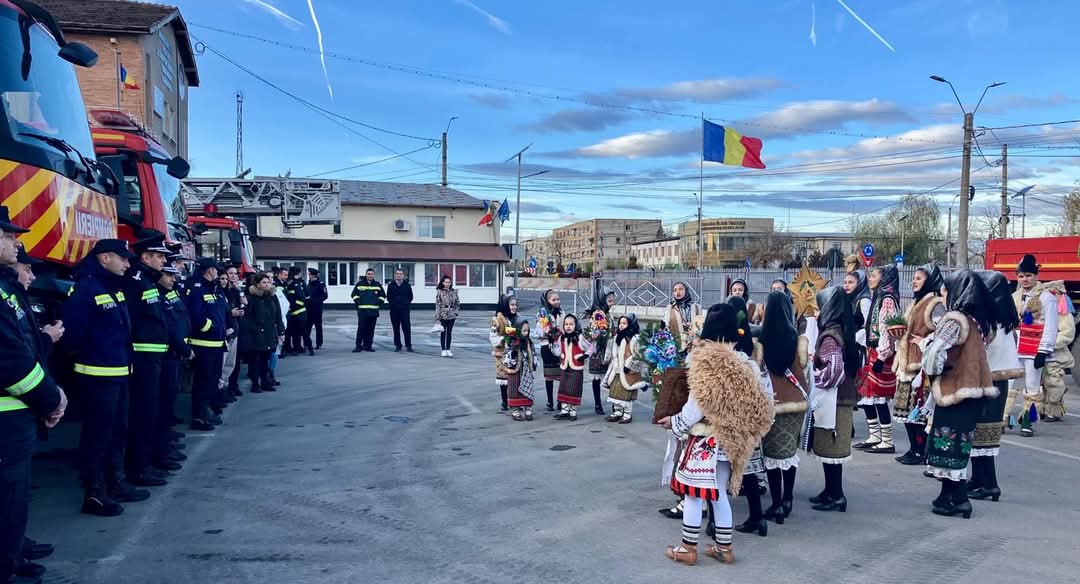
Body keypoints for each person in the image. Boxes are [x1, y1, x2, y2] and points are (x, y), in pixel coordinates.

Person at [657, 303, 774, 566]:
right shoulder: (746, 364)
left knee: (693, 494)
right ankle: (724, 547)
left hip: (705, 440)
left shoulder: (706, 363)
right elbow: (765, 403)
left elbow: (695, 408)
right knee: (718, 493)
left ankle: (688, 548)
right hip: (730, 441)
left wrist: (674, 423)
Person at [0, 208, 66, 582]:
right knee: (7, 499)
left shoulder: (6, 290)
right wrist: (51, 399)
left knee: (14, 499)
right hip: (8, 417)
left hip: (17, 414)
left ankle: (13, 557)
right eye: (8, 235)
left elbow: (25, 350)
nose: (16, 242)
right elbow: (11, 361)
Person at [60, 239, 135, 516]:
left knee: (117, 432)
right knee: (98, 436)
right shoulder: (86, 288)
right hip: (97, 377)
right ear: (104, 258)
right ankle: (94, 493)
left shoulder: (112, 287)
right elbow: (72, 336)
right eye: (122, 258)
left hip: (119, 373)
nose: (127, 264)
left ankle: (115, 482)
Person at [921, 270, 997, 519]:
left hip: (955, 389)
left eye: (946, 290)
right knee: (957, 445)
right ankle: (947, 495)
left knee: (948, 445)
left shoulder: (955, 319)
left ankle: (960, 499)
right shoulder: (977, 321)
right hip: (973, 391)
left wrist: (932, 370)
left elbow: (935, 352)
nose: (942, 295)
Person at [121, 233, 175, 484]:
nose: (164, 261)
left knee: (151, 410)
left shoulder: (147, 280)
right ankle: (139, 468)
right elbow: (130, 320)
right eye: (160, 256)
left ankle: (149, 461)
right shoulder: (136, 281)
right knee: (142, 412)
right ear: (145, 257)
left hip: (153, 356)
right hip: (142, 357)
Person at [970, 271, 1023, 502]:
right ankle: (978, 479)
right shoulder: (1005, 319)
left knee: (984, 434)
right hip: (997, 381)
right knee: (981, 433)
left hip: (989, 380)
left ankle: (990, 484)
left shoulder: (991, 321)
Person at [807, 286, 861, 513]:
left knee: (832, 448)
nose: (817, 313)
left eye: (819, 308)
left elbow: (834, 371)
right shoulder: (841, 330)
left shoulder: (830, 336)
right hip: (841, 398)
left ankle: (836, 495)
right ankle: (830, 491)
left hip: (834, 400)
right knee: (830, 450)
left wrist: (814, 376)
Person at [757, 291, 809, 527]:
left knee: (771, 455)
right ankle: (788, 500)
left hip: (773, 403)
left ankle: (776, 504)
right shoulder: (797, 339)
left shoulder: (762, 340)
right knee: (789, 453)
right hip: (796, 403)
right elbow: (805, 367)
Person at [1007, 254, 1072, 434]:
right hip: (1015, 347)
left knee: (1032, 387)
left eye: (1028, 275)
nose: (1025, 279)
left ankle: (1028, 422)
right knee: (1010, 384)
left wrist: (1043, 351)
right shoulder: (1015, 296)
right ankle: (1003, 419)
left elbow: (1051, 327)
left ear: (1036, 276)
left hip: (1034, 349)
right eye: (1021, 276)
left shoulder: (1047, 298)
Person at [892, 263, 946, 465]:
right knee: (906, 412)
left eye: (919, 278)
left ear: (929, 281)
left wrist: (924, 341)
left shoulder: (935, 303)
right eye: (913, 278)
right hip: (906, 363)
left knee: (918, 412)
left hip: (920, 364)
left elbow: (943, 331)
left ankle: (921, 451)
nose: (914, 282)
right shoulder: (915, 302)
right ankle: (913, 448)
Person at [657, 282, 702, 520]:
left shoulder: (695, 308)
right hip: (676, 359)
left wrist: (677, 422)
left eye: (681, 289)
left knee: (689, 450)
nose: (677, 293)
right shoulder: (670, 309)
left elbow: (695, 407)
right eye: (675, 290)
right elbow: (664, 333)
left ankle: (692, 502)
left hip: (699, 424)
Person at [854, 264, 900, 454]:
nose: (870, 279)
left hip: (882, 353)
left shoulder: (887, 299)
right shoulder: (879, 297)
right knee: (868, 395)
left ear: (884, 278)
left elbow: (887, 329)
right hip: (872, 350)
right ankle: (874, 436)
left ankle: (887, 441)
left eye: (874, 276)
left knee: (879, 397)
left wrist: (882, 356)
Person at [153, 263, 190, 476]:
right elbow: (170, 326)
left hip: (172, 354)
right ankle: (160, 450)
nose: (173, 279)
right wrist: (184, 348)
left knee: (167, 404)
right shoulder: (156, 294)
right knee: (160, 406)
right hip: (164, 356)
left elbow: (181, 320)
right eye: (168, 275)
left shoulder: (169, 293)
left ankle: (165, 444)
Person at [186, 258, 228, 431]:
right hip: (204, 344)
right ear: (210, 270)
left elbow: (220, 312)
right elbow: (196, 316)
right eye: (216, 270)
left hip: (216, 343)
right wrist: (212, 327)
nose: (218, 273)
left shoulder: (214, 288)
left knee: (211, 380)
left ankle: (207, 411)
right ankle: (199, 417)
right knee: (203, 382)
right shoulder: (197, 289)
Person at [239, 272, 285, 393]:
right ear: (257, 285)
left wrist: (281, 331)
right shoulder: (251, 298)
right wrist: (254, 329)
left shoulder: (272, 297)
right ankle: (255, 384)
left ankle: (265, 382)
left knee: (266, 358)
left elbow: (278, 315)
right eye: (264, 282)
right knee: (255, 360)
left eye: (268, 282)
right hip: (256, 334)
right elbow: (247, 317)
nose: (267, 284)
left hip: (269, 332)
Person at [602, 314, 646, 423]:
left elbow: (638, 355)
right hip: (617, 370)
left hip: (628, 371)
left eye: (624, 323)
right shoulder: (617, 337)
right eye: (620, 323)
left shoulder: (634, 339)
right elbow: (613, 353)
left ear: (631, 325)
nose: (621, 325)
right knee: (616, 392)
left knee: (627, 393)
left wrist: (628, 365)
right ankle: (618, 411)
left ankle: (627, 414)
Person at [584, 285, 616, 416]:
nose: (612, 303)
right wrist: (599, 334)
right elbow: (592, 333)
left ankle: (615, 403)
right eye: (609, 301)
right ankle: (598, 404)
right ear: (602, 300)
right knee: (596, 378)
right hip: (598, 349)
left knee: (612, 377)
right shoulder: (597, 315)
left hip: (610, 348)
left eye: (613, 301)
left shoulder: (608, 314)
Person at [553, 314, 589, 421]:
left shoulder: (580, 338)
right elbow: (557, 351)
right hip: (565, 367)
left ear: (576, 325)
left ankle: (573, 411)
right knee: (563, 388)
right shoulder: (562, 338)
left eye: (571, 324)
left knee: (574, 389)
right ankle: (564, 410)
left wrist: (585, 355)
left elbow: (591, 347)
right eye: (566, 324)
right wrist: (552, 343)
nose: (568, 326)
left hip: (576, 367)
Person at [219, 265, 246, 397]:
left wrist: (242, 301)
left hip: (236, 329)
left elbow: (242, 305)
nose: (234, 276)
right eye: (230, 273)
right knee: (223, 364)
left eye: (235, 273)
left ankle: (231, 386)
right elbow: (223, 310)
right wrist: (231, 313)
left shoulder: (236, 290)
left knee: (233, 362)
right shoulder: (221, 291)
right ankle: (223, 390)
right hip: (226, 331)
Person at [504, 319, 538, 421]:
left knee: (527, 387)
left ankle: (527, 407)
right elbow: (506, 356)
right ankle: (515, 409)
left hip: (526, 369)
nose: (526, 333)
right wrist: (513, 354)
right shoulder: (511, 342)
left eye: (527, 331)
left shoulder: (529, 342)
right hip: (515, 370)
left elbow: (533, 353)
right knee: (514, 389)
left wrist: (533, 363)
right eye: (524, 331)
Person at [489, 295, 519, 410]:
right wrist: (504, 338)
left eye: (515, 305)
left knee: (515, 377)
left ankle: (514, 399)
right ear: (505, 306)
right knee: (503, 378)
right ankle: (504, 401)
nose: (514, 307)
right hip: (502, 353)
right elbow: (493, 338)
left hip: (515, 352)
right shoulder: (497, 320)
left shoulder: (517, 318)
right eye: (512, 305)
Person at [533, 289, 561, 408]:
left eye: (558, 299)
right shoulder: (542, 314)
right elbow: (538, 332)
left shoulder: (561, 313)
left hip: (560, 346)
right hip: (547, 346)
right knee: (549, 375)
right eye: (553, 300)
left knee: (562, 375)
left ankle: (560, 401)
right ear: (547, 301)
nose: (556, 302)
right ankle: (550, 401)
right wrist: (548, 331)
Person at [351, 268, 386, 353]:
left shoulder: (377, 285)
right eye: (369, 274)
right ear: (366, 275)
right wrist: (359, 301)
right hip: (362, 311)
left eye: (372, 274)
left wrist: (378, 302)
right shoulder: (360, 284)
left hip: (373, 311)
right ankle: (358, 346)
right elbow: (354, 295)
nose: (370, 275)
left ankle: (368, 346)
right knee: (361, 329)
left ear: (374, 275)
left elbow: (383, 296)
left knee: (371, 330)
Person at [284, 266, 312, 356]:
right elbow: (291, 298)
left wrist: (302, 303)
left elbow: (306, 295)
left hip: (301, 311)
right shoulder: (292, 283)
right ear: (298, 273)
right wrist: (299, 303)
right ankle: (296, 348)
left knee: (304, 331)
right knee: (295, 332)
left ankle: (309, 348)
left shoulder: (300, 282)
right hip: (294, 311)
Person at [386, 269, 414, 353]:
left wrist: (405, 304)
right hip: (394, 310)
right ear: (395, 275)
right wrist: (393, 304)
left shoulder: (407, 285)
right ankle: (398, 345)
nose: (399, 275)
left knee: (407, 328)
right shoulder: (391, 285)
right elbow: (388, 297)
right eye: (397, 274)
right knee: (396, 328)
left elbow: (410, 297)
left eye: (401, 274)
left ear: (403, 276)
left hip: (404, 310)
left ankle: (408, 345)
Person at [435, 275, 460, 358]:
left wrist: (456, 313)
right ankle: (443, 349)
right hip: (443, 314)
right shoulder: (440, 292)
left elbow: (457, 303)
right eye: (446, 282)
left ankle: (448, 349)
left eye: (449, 282)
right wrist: (437, 317)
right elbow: (437, 305)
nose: (448, 284)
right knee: (443, 332)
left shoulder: (454, 292)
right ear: (443, 283)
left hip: (452, 314)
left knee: (449, 332)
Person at [842, 270, 871, 342]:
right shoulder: (848, 300)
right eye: (845, 282)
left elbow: (868, 324)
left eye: (850, 282)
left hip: (860, 341)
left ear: (859, 284)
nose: (846, 285)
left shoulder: (864, 301)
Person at [306, 268, 327, 349]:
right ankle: (307, 343)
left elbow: (325, 296)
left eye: (309, 274)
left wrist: (315, 301)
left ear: (313, 275)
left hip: (317, 309)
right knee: (307, 327)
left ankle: (319, 343)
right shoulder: (308, 284)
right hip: (309, 309)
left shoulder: (321, 284)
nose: (309, 275)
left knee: (318, 327)